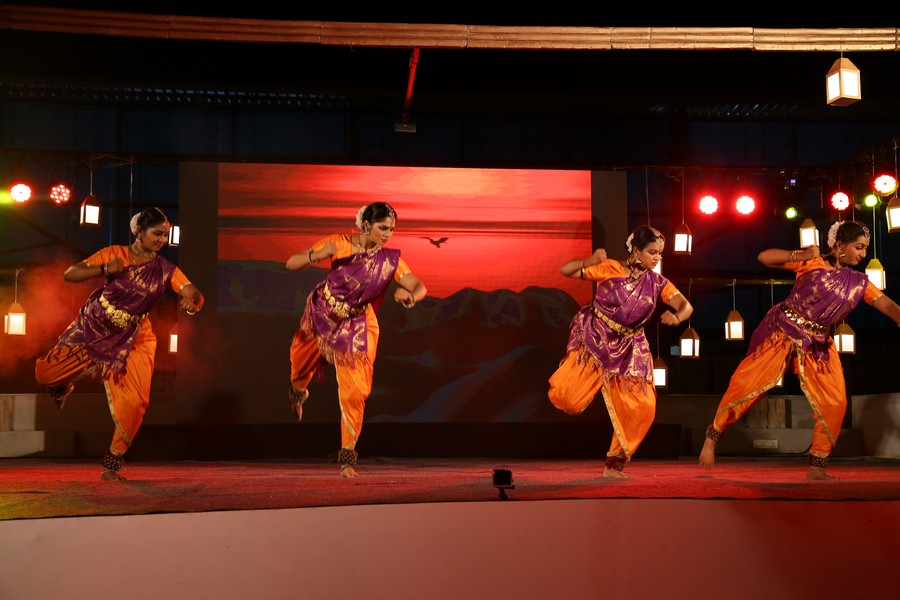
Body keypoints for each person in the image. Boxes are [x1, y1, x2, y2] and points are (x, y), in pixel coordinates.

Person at [699, 220, 900, 480]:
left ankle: (817, 466)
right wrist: (800, 255)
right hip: (783, 331)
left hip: (818, 344)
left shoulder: (859, 282)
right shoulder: (811, 262)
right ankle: (712, 436)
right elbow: (765, 257)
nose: (863, 254)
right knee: (746, 385)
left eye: (865, 249)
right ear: (840, 245)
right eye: (859, 247)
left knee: (836, 401)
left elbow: (888, 306)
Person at [35, 207, 204, 481]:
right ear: (139, 231)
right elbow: (70, 273)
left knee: (136, 402)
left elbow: (191, 290)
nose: (162, 240)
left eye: (165, 235)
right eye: (157, 234)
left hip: (135, 338)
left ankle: (113, 461)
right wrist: (104, 269)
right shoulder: (116, 254)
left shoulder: (165, 268)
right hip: (96, 326)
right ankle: (62, 387)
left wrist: (191, 299)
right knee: (45, 374)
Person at [285, 202, 427, 478]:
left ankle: (347, 458)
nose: (388, 234)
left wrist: (410, 296)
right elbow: (291, 264)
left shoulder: (389, 260)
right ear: (365, 225)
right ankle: (298, 393)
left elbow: (418, 286)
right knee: (299, 366)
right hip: (323, 314)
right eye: (383, 228)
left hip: (358, 326)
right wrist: (316, 255)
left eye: (391, 229)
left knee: (355, 392)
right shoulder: (339, 243)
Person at [548, 224, 694, 478]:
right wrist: (589, 261)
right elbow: (566, 270)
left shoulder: (657, 282)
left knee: (644, 406)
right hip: (597, 338)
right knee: (566, 397)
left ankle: (615, 463)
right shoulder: (610, 268)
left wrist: (678, 316)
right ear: (636, 251)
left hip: (631, 347)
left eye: (659, 253)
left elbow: (685, 306)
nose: (657, 258)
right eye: (652, 252)